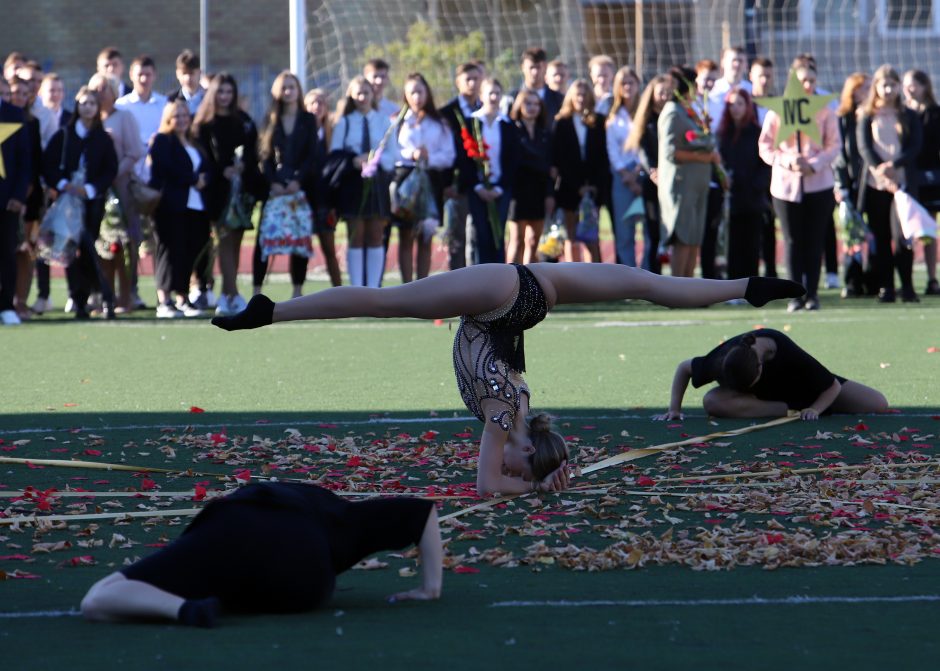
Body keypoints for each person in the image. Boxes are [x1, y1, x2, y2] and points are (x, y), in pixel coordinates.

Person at [213, 262, 804, 494]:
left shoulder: (514, 410)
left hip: (517, 306)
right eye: (522, 461)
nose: (508, 464)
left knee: (646, 284)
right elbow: (489, 486)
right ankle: (272, 311)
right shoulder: (505, 409)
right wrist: (539, 485)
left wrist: (548, 468)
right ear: (525, 450)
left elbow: (502, 472)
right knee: (386, 300)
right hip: (505, 297)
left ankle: (746, 288)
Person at [80, 482, 442, 627]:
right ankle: (200, 602)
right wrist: (430, 590)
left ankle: (185, 609)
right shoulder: (341, 516)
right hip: (307, 580)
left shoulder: (232, 519)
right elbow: (421, 512)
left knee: (99, 598)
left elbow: (96, 603)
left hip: (234, 534)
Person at [656, 329, 889, 421]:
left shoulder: (784, 349)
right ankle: (790, 412)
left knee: (878, 403)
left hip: (809, 394)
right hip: (777, 404)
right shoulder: (724, 358)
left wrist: (815, 409)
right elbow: (684, 367)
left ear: (760, 366)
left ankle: (804, 409)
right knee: (712, 401)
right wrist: (674, 408)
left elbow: (832, 386)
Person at [758, 61, 839, 311]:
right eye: (802, 80)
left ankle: (813, 294)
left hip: (819, 185)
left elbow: (834, 145)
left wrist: (814, 164)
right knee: (792, 240)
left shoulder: (825, 111)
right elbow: (766, 146)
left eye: (811, 81)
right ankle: (795, 295)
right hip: (785, 187)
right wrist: (788, 161)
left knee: (815, 240)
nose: (807, 85)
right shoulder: (778, 112)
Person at [42, 88, 119, 320]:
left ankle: (101, 295)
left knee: (89, 250)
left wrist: (91, 188)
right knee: (71, 251)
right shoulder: (64, 135)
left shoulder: (102, 137)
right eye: (83, 103)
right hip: (67, 204)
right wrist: (64, 183)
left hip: (92, 204)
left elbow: (110, 169)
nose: (87, 108)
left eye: (92, 104)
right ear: (77, 106)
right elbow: (48, 165)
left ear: (97, 108)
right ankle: (78, 299)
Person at [194, 73, 262, 316]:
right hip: (217, 193)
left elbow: (255, 154)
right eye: (220, 92)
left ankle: (229, 293)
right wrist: (221, 169)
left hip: (241, 192)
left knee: (236, 240)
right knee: (223, 239)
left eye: (228, 92)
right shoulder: (204, 124)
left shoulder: (244, 121)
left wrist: (243, 167)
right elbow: (202, 158)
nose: (224, 97)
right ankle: (229, 294)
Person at [857, 65, 923, 303]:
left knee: (902, 237)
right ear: (876, 87)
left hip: (902, 184)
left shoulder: (908, 114)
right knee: (881, 238)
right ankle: (887, 287)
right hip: (877, 184)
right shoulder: (867, 114)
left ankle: (907, 286)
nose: (888, 90)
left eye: (892, 85)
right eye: (883, 85)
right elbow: (864, 147)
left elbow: (915, 145)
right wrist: (880, 167)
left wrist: (896, 164)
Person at [254, 70, 318, 297]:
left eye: (292, 87)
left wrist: (299, 181)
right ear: (277, 92)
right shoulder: (269, 120)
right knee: (264, 240)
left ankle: (297, 291)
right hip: (276, 190)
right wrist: (273, 183)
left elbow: (312, 155)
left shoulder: (308, 119)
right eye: (284, 87)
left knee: (299, 241)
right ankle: (257, 292)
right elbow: (263, 155)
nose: (288, 92)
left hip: (298, 190)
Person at [148, 99, 212, 318]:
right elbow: (166, 168)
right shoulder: (162, 140)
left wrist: (204, 178)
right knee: (169, 252)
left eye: (185, 115)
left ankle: (182, 298)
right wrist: (194, 179)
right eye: (177, 116)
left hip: (196, 206)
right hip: (169, 205)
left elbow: (207, 167)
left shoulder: (194, 143)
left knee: (189, 252)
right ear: (168, 118)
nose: (182, 120)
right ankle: (164, 300)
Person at [331, 76, 396, 287]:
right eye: (357, 93)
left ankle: (373, 288)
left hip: (377, 183)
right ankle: (357, 289)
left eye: (366, 93)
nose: (362, 97)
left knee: (376, 234)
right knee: (356, 235)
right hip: (353, 183)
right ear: (351, 95)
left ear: (372, 94)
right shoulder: (345, 122)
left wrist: (374, 162)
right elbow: (335, 154)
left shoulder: (384, 120)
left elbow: (391, 154)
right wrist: (354, 161)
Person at [88, 73, 144, 314]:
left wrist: (112, 174)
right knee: (101, 245)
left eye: (104, 89)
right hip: (95, 192)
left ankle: (126, 296)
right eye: (95, 89)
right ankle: (103, 296)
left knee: (124, 244)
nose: (100, 94)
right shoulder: (89, 120)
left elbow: (135, 152)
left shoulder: (124, 117)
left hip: (120, 190)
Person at [116, 55, 168, 311]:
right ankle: (131, 291)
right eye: (139, 74)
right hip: (129, 181)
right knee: (130, 241)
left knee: (160, 240)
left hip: (157, 182)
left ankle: (163, 291)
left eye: (148, 74)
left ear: (155, 75)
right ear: (132, 77)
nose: (144, 79)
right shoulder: (122, 106)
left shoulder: (164, 104)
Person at [391, 73, 454, 282]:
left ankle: (423, 286)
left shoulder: (439, 123)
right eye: (412, 92)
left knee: (426, 236)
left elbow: (448, 155)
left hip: (431, 180)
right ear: (406, 96)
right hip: (405, 181)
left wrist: (430, 157)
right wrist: (411, 154)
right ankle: (407, 287)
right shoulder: (398, 121)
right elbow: (391, 151)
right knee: (406, 235)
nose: (417, 96)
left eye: (420, 91)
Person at [658, 66, 717, 278]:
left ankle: (689, 289)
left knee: (693, 238)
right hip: (681, 185)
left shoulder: (688, 111)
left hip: (696, 185)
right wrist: (704, 158)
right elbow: (670, 152)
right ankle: (677, 289)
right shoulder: (673, 112)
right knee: (682, 238)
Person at [552, 79, 608, 263]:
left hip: (592, 189)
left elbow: (602, 157)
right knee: (572, 237)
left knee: (592, 237)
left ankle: (596, 282)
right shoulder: (562, 122)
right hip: (570, 188)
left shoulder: (598, 121)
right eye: (577, 95)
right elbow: (559, 158)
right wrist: (577, 186)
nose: (581, 98)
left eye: (585, 95)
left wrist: (592, 186)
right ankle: (572, 279)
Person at [717, 88, 770, 279]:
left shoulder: (757, 132)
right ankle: (733, 287)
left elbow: (765, 165)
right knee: (733, 245)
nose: (735, 108)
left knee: (751, 244)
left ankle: (751, 286)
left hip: (752, 200)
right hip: (731, 200)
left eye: (740, 104)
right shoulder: (723, 134)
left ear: (748, 106)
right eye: (731, 104)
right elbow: (719, 163)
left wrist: (756, 186)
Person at [625, 75, 673, 274]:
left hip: (672, 181)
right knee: (652, 233)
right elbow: (643, 150)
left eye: (667, 93)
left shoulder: (674, 116)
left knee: (671, 233)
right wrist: (653, 170)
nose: (664, 96)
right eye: (660, 92)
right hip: (652, 181)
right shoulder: (646, 119)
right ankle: (654, 277)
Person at [467, 77, 516, 264]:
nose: (494, 97)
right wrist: (478, 186)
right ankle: (480, 279)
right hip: (478, 189)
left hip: (499, 188)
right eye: (490, 93)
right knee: (481, 235)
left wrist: (499, 187)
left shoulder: (507, 124)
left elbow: (512, 159)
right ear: (481, 96)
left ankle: (500, 279)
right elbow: (466, 159)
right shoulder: (472, 122)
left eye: (497, 93)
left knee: (498, 234)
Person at [833, 72, 873, 298]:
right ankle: (852, 281)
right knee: (852, 235)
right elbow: (839, 155)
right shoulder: (842, 118)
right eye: (863, 87)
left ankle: (874, 280)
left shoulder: (872, 116)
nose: (868, 91)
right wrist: (841, 185)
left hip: (873, 183)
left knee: (874, 234)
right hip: (850, 184)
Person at [439, 62, 483, 270]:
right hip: (457, 186)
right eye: (468, 79)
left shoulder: (486, 110)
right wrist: (447, 183)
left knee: (479, 234)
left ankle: (479, 284)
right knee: (456, 236)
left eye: (476, 78)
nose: (473, 83)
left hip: (483, 184)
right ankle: (455, 285)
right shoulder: (446, 113)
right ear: (458, 83)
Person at [902, 69, 940, 296]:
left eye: (913, 84)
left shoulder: (934, 113)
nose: (909, 89)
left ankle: (932, 278)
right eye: (906, 84)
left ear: (925, 87)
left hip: (930, 178)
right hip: (906, 178)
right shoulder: (902, 113)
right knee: (906, 229)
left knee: (928, 229)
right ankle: (906, 282)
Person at [506, 88, 552, 264]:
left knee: (533, 241)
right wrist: (540, 165)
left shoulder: (545, 133)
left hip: (539, 191)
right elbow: (517, 161)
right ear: (519, 105)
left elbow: (549, 166)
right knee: (517, 241)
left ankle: (529, 283)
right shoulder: (511, 129)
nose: (532, 107)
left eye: (536, 104)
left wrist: (549, 194)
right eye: (527, 103)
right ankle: (510, 281)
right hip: (518, 191)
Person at [304, 88, 342, 287]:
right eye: (312, 102)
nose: (316, 107)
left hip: (324, 200)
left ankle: (339, 290)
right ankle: (297, 291)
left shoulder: (332, 134)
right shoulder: (300, 133)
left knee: (329, 248)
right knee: (300, 249)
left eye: (321, 103)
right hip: (303, 198)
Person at [605, 66, 643, 266]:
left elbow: (646, 145)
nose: (628, 87)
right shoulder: (613, 116)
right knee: (624, 231)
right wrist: (625, 174)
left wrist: (637, 172)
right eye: (624, 83)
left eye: (631, 82)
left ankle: (649, 276)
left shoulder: (644, 112)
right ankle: (629, 278)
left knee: (647, 230)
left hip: (644, 175)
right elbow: (612, 148)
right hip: (621, 178)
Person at [0, 87, 31, 326]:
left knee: (7, 254)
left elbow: (24, 159)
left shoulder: (14, 113)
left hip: (7, 199)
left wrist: (18, 196)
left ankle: (6, 305)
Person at [749, 56, 777, 277]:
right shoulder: (743, 104)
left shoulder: (779, 106)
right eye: (761, 75)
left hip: (774, 171)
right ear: (751, 77)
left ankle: (771, 270)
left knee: (771, 224)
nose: (765, 80)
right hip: (750, 174)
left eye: (768, 75)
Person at [506, 48, 563, 126]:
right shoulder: (512, 98)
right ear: (523, 67)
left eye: (538, 67)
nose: (535, 72)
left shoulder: (559, 99)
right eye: (531, 67)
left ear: (545, 67)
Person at [707, 46, 751, 133]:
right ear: (723, 62)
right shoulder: (712, 89)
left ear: (746, 65)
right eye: (734, 60)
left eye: (740, 61)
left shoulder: (751, 90)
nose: (737, 64)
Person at [167, 49, 206, 116]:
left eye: (191, 73)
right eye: (184, 73)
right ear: (177, 74)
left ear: (200, 73)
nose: (188, 78)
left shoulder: (209, 97)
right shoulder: (171, 99)